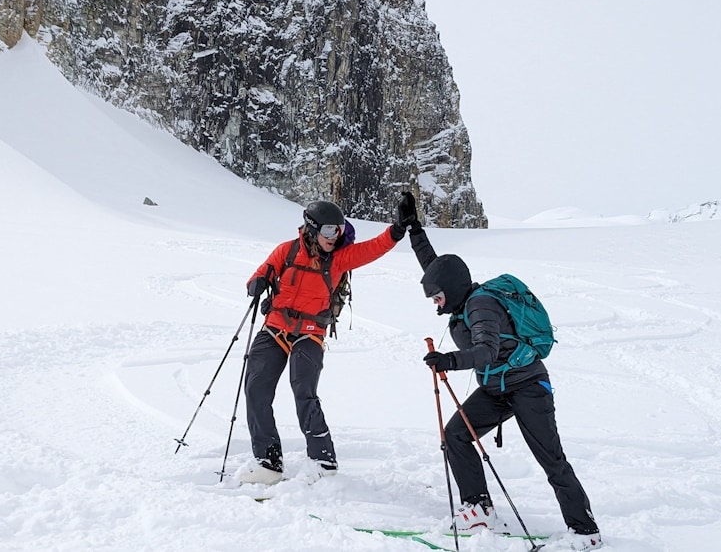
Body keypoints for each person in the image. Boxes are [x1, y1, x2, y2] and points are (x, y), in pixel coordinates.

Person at [398, 192, 602, 550]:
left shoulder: (480, 306)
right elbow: (435, 267)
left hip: (528, 386)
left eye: (437, 297)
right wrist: (413, 228)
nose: (435, 303)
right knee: (456, 434)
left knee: (550, 459)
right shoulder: (461, 297)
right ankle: (478, 508)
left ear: (453, 291)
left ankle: (586, 531)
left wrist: (450, 361)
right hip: (498, 388)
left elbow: (486, 351)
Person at [240, 198, 409, 484]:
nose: (336, 237)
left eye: (340, 230)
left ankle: (323, 460)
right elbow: (262, 272)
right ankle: (268, 461)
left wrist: (396, 230)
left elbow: (372, 249)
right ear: (312, 228)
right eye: (330, 231)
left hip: (310, 332)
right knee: (256, 388)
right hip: (275, 328)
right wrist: (258, 282)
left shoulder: (339, 259)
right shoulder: (287, 250)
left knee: (303, 389)